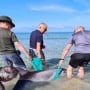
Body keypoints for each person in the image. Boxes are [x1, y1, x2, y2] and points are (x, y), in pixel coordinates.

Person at [0, 15, 31, 81]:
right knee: (22, 68)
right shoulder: (10, 33)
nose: (11, 28)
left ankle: (9, 82)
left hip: (2, 55)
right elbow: (18, 45)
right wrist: (27, 54)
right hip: (12, 54)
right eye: (10, 26)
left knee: (8, 70)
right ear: (6, 23)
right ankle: (24, 81)